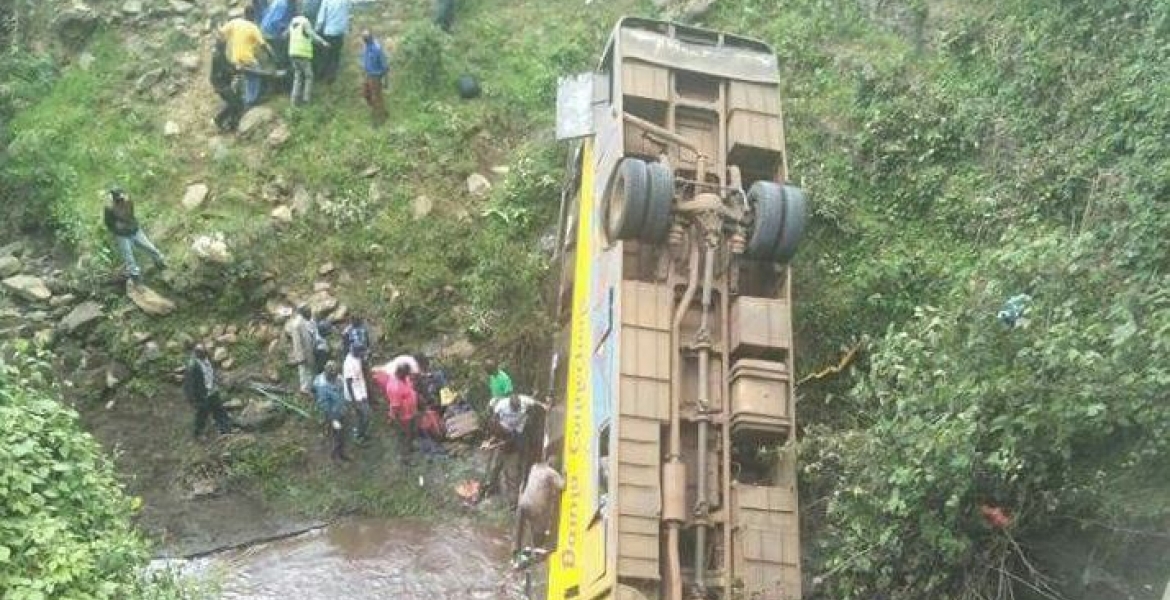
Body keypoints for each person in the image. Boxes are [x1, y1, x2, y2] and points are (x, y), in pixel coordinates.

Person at [485, 392, 548, 503]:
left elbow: (535, 403)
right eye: (514, 409)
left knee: (515, 466)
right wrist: (494, 438)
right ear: (509, 405)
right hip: (504, 430)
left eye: (517, 408)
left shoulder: (525, 400)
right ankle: (492, 486)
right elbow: (494, 419)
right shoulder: (501, 406)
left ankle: (516, 495)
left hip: (517, 431)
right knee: (497, 465)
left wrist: (544, 406)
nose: (516, 410)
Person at [103, 186, 167, 283]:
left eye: (121, 198)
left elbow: (130, 214)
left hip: (135, 230)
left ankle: (159, 262)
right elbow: (108, 224)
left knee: (149, 247)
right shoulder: (109, 209)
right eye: (118, 199)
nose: (121, 200)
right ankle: (135, 275)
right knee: (128, 256)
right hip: (121, 235)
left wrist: (125, 223)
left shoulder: (128, 201)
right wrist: (117, 228)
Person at [220, 7, 273, 107]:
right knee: (256, 75)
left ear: (244, 14)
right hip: (247, 59)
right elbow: (263, 45)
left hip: (235, 59)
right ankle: (251, 100)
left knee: (248, 77)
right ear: (253, 16)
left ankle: (245, 98)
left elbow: (221, 32)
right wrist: (271, 56)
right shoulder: (253, 27)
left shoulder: (235, 22)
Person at [513, 457, 565, 554]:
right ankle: (536, 549)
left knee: (520, 527)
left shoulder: (535, 467)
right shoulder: (552, 473)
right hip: (536, 507)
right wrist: (564, 475)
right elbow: (562, 485)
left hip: (523, 502)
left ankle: (516, 548)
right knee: (538, 529)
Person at [183, 344, 232, 439]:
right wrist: (193, 400)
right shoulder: (193, 366)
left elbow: (212, 373)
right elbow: (190, 385)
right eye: (199, 352)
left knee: (219, 410)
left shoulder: (208, 360)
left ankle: (226, 429)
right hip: (201, 395)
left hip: (212, 391)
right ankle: (198, 433)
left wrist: (217, 382)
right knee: (202, 415)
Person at [287, 10, 327, 105]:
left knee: (298, 76)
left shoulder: (293, 22)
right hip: (303, 53)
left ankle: (294, 100)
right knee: (309, 76)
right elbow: (312, 34)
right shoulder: (305, 22)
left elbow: (288, 34)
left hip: (292, 52)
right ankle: (306, 100)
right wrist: (323, 42)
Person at [313, 361, 350, 462]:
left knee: (342, 434)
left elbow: (342, 390)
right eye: (333, 375)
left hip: (340, 410)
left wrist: (345, 405)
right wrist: (333, 420)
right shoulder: (322, 386)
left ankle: (341, 453)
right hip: (332, 415)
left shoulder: (338, 378)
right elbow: (324, 406)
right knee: (336, 435)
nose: (336, 376)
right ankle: (335, 456)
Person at [381, 361, 419, 458]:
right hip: (403, 416)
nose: (407, 376)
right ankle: (405, 457)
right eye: (406, 374)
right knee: (405, 436)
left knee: (412, 432)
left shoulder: (404, 378)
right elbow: (396, 406)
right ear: (400, 373)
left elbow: (410, 389)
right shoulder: (394, 386)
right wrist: (397, 421)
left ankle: (410, 447)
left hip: (411, 412)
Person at [211, 37, 244, 132]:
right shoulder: (218, 56)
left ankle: (230, 122)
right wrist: (236, 70)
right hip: (221, 84)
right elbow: (226, 68)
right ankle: (224, 122)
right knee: (235, 103)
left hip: (221, 82)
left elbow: (227, 65)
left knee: (233, 103)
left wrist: (235, 68)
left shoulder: (219, 54)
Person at [315, 0, 350, 83]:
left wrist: (316, 30)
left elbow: (321, 18)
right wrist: (346, 29)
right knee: (336, 55)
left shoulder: (326, 1)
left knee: (326, 54)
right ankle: (331, 76)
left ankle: (321, 74)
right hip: (340, 31)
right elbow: (346, 14)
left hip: (329, 31)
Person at [284, 304, 316, 395]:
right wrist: (300, 357)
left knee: (310, 371)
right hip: (304, 353)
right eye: (308, 311)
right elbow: (297, 343)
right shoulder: (296, 325)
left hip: (310, 350)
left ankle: (310, 388)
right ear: (303, 313)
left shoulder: (307, 320)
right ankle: (305, 391)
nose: (310, 313)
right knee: (304, 372)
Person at [343, 344, 372, 441]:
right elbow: (348, 383)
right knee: (366, 415)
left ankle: (361, 433)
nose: (363, 354)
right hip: (355, 394)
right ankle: (359, 435)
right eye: (362, 352)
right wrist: (354, 401)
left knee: (362, 416)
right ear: (357, 352)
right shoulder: (349, 364)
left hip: (361, 390)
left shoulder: (356, 356)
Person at [359, 30, 388, 125]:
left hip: (375, 76)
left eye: (366, 38)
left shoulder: (377, 49)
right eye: (363, 38)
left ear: (370, 38)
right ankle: (381, 111)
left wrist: (385, 80)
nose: (364, 40)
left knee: (376, 97)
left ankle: (379, 120)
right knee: (366, 94)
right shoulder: (365, 47)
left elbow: (385, 66)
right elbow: (364, 59)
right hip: (367, 74)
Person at [260, 0, 297, 71]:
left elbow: (266, 12)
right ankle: (282, 69)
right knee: (281, 52)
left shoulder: (278, 1)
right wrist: (286, 29)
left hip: (264, 29)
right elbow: (275, 22)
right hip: (271, 32)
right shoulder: (283, 5)